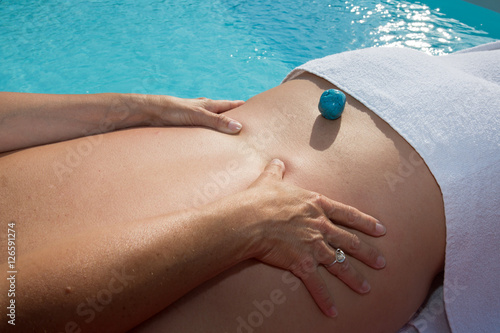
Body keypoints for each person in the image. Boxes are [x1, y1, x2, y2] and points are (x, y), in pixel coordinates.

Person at [1, 42, 498, 333]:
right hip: (440, 139)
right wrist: (239, 227)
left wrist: (135, 108)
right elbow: (18, 306)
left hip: (397, 97)